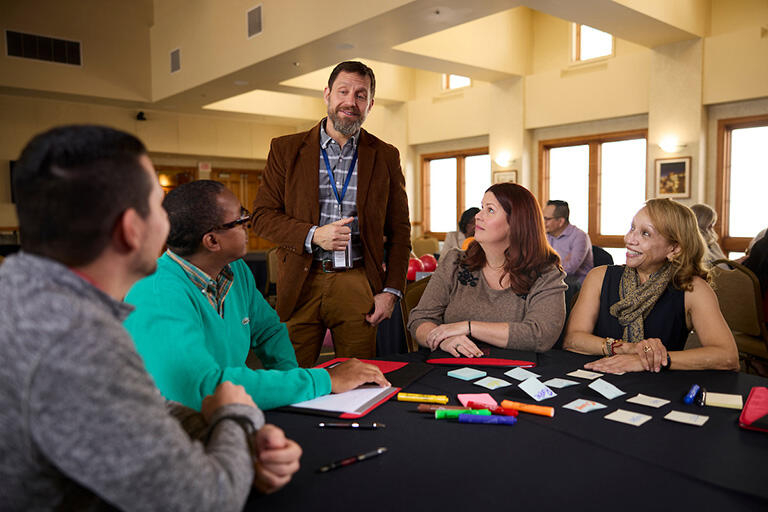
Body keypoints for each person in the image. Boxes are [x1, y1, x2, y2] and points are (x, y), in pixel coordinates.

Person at [0, 125, 301, 511]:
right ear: (130, 229)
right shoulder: (76, 343)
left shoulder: (28, 295)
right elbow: (206, 500)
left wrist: (225, 433)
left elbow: (129, 413)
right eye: (159, 206)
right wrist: (236, 417)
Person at [125, 180, 389, 411]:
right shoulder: (156, 293)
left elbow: (269, 331)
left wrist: (297, 391)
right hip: (168, 432)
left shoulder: (234, 270)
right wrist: (324, 380)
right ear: (212, 242)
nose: (248, 224)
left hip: (220, 415)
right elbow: (205, 388)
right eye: (240, 220)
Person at [252, 61, 411, 367]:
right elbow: (261, 215)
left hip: (357, 281)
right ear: (327, 94)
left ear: (370, 104)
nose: (351, 101)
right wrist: (314, 235)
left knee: (358, 380)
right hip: (301, 280)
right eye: (343, 91)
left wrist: (391, 291)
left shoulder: (385, 155)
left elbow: (401, 232)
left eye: (361, 95)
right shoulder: (285, 149)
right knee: (292, 380)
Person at [563, 198, 740, 373]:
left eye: (645, 233)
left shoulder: (693, 289)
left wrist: (646, 361)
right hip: (597, 376)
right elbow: (573, 340)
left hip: (658, 387)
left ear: (674, 249)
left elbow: (727, 356)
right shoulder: (599, 277)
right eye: (632, 228)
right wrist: (627, 349)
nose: (629, 239)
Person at [408, 183, 567, 356]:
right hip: (452, 369)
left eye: (490, 210)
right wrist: (444, 339)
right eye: (482, 207)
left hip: (518, 374)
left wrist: (469, 327)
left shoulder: (546, 273)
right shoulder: (454, 261)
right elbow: (420, 319)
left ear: (516, 222)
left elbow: (541, 336)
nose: (478, 216)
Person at [543, 199, 593, 285]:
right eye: (542, 217)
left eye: (547, 219)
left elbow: (570, 270)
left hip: (576, 286)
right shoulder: (546, 235)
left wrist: (547, 265)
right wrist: (560, 263)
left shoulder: (580, 236)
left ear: (561, 221)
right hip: (553, 281)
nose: (543, 222)